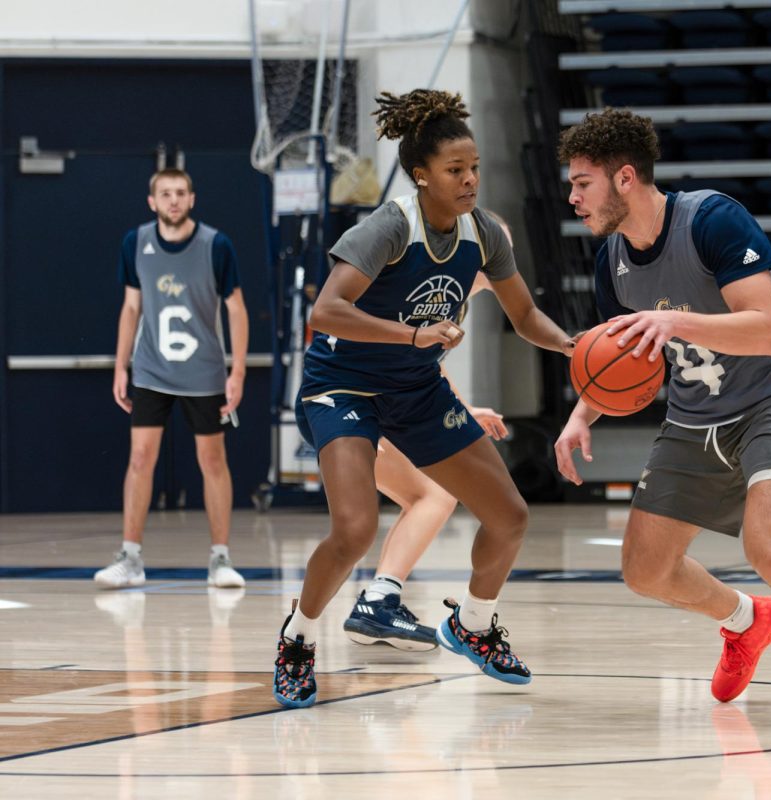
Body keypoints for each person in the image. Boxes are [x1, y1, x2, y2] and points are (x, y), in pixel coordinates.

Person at [554, 108, 771, 723]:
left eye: (582, 183)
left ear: (625, 178)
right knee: (644, 568)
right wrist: (581, 416)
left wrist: (671, 320)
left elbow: (762, 332)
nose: (572, 197)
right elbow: (617, 361)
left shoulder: (712, 219)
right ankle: (746, 620)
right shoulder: (612, 265)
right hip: (694, 417)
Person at [273, 89, 574, 708]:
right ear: (421, 175)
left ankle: (473, 625)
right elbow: (325, 312)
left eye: (474, 169)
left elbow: (524, 316)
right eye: (454, 171)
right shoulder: (389, 226)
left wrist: (577, 347)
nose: (469, 181)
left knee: (510, 516)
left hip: (415, 390)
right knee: (354, 528)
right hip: (343, 385)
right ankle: (298, 639)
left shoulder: (484, 233)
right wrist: (413, 334)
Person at [343, 263, 507, 652]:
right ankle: (375, 602)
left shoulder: (453, 300)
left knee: (426, 497)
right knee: (433, 496)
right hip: (351, 400)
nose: (506, 260)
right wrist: (360, 422)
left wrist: (467, 410)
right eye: (500, 248)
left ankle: (377, 603)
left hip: (369, 401)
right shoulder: (429, 289)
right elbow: (369, 344)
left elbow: (430, 367)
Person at [97, 168, 248, 591]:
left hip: (204, 371)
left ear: (192, 199)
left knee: (212, 462)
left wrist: (237, 371)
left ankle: (220, 558)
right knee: (140, 458)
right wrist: (120, 365)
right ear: (152, 201)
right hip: (150, 368)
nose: (174, 200)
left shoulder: (216, 245)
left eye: (181, 193)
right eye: (165, 194)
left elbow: (236, 309)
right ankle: (130, 557)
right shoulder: (136, 242)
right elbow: (131, 308)